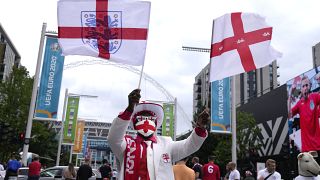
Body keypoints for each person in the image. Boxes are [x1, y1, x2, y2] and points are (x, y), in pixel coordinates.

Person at [107, 89, 209, 180]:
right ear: (134, 123)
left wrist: (200, 128)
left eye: (151, 118)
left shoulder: (167, 144)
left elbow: (189, 146)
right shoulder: (126, 145)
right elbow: (113, 138)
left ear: (156, 124)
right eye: (141, 118)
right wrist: (129, 110)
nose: (146, 121)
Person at [288, 75, 320, 152]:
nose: (305, 88)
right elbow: (289, 115)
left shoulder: (315, 97)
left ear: (309, 86)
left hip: (317, 147)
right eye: (303, 86)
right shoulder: (299, 104)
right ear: (301, 89)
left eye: (306, 85)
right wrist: (290, 94)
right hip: (306, 150)